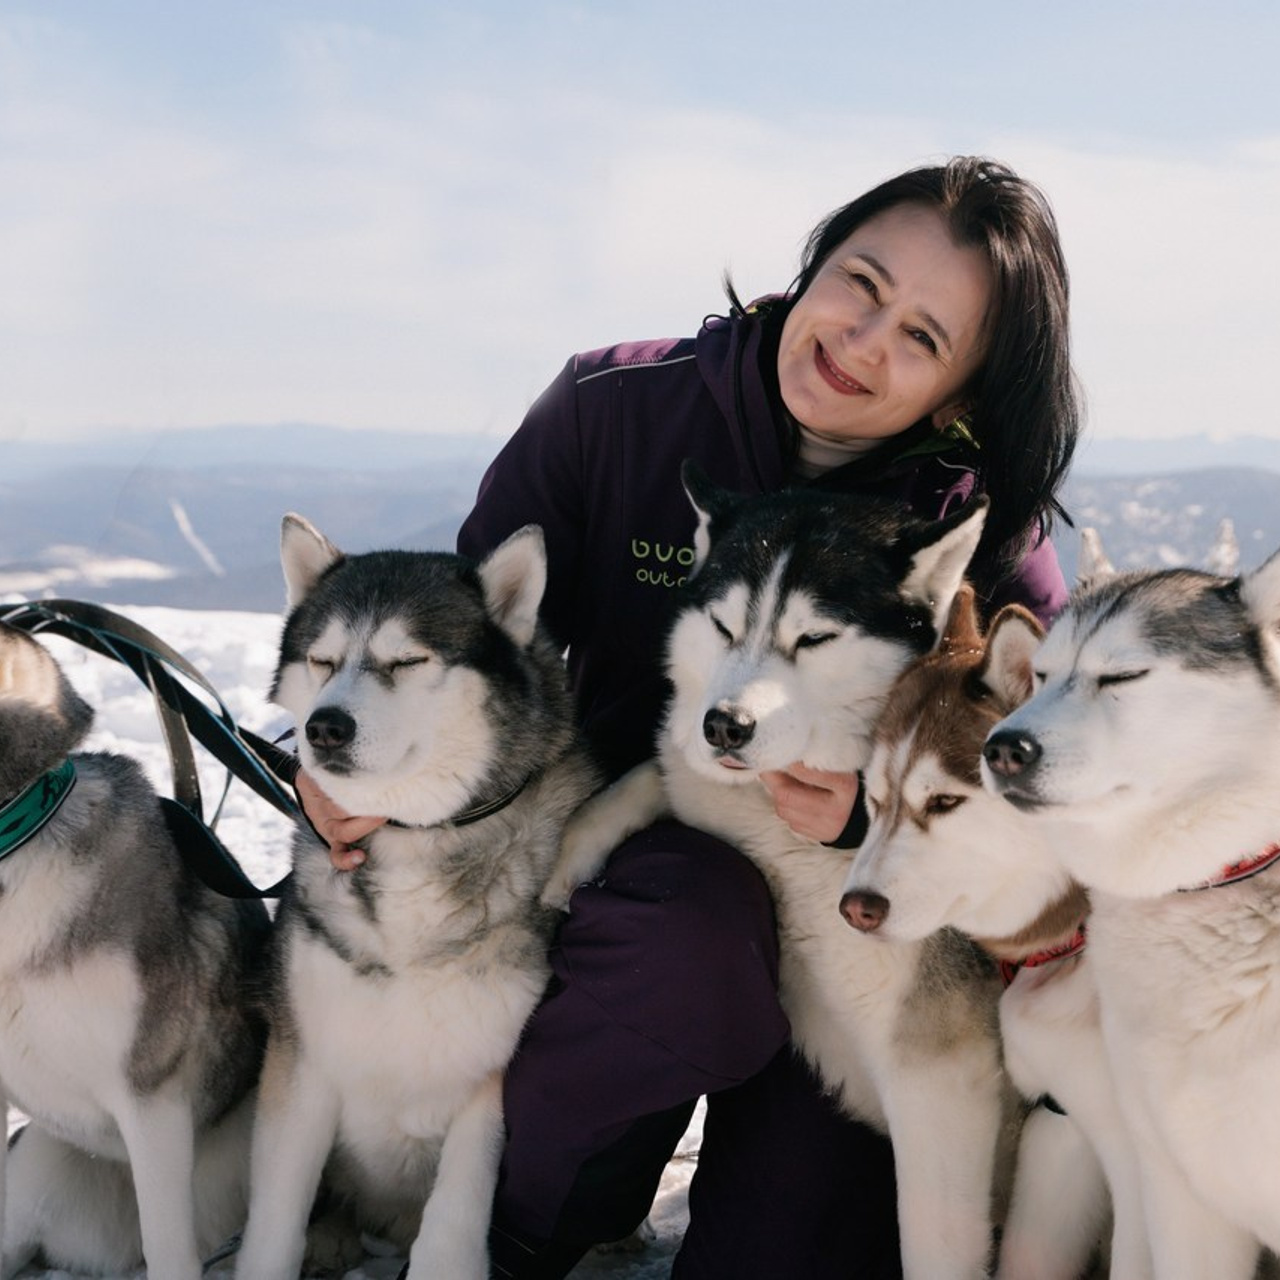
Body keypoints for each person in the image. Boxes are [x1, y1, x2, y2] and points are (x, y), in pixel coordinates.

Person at [300, 155, 1079, 1279]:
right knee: (686, 939)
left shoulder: (977, 536)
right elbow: (451, 636)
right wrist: (341, 765)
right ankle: (518, 1225)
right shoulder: (615, 406)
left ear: (959, 391)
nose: (862, 340)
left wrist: (877, 815)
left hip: (855, 942)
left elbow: (1040, 771)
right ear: (810, 266)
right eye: (859, 282)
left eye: (920, 337)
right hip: (634, 881)